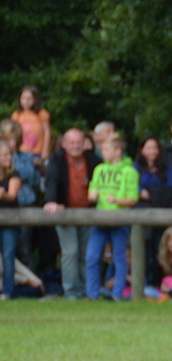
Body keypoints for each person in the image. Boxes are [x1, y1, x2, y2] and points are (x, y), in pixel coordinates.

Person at [43, 126, 97, 298]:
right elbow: (51, 180)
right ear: (64, 144)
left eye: (79, 142)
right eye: (71, 142)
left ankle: (85, 291)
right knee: (70, 252)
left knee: (86, 253)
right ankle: (71, 292)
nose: (75, 146)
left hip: (88, 213)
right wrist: (51, 201)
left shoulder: (93, 159)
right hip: (65, 212)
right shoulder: (56, 159)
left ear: (85, 144)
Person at [85, 133, 139, 300]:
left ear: (118, 150)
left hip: (119, 220)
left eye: (106, 149)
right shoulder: (99, 169)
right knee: (91, 257)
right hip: (100, 220)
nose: (103, 152)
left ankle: (117, 294)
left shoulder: (130, 171)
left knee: (119, 258)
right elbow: (91, 193)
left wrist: (117, 200)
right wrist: (92, 195)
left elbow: (132, 199)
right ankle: (92, 294)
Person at [0, 140, 23, 299]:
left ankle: (8, 291)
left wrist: (3, 194)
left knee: (8, 255)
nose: (8, 157)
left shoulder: (14, 174)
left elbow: (12, 195)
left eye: (9, 154)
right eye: (4, 155)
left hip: (10, 218)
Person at [12, 86, 52, 163]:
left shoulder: (41, 114)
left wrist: (45, 150)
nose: (26, 101)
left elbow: (47, 132)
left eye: (29, 99)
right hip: (20, 151)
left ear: (35, 100)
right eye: (23, 98)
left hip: (37, 152)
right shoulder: (17, 115)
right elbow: (13, 134)